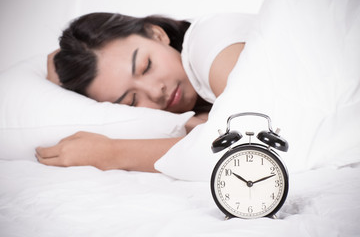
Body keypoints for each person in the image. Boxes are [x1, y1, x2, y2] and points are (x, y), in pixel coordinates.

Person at [36, 12, 254, 172]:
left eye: (146, 66)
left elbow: (249, 150)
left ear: (156, 34)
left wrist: (110, 153)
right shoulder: (198, 97)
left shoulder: (210, 41)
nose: (155, 92)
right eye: (131, 101)